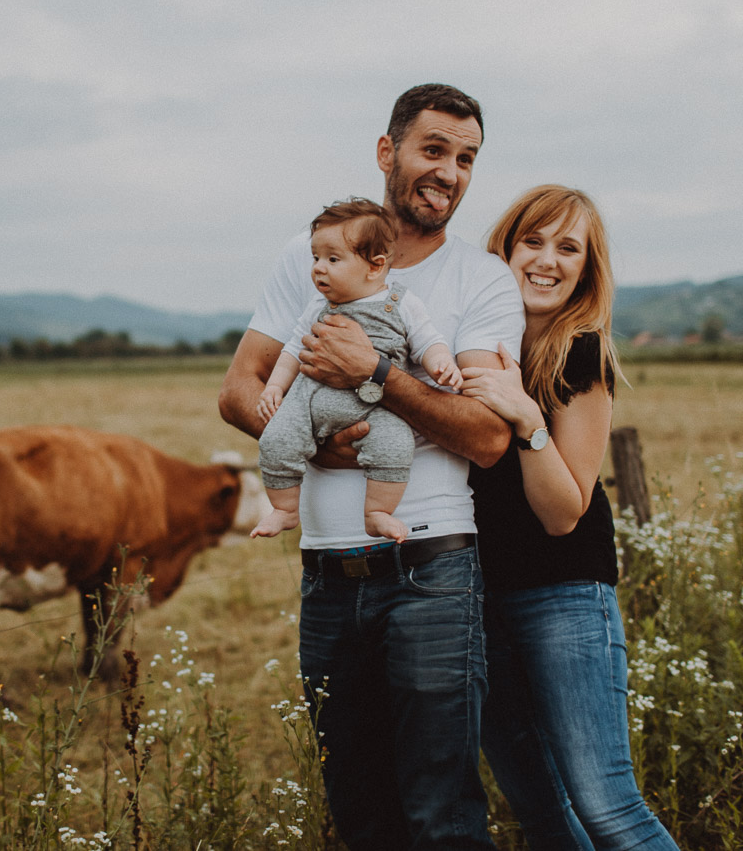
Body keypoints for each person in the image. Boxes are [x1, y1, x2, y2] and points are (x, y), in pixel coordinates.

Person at [219, 83, 521, 851]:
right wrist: (316, 443)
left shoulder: (480, 280)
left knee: (441, 817)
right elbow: (240, 388)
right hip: (325, 574)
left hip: (431, 573)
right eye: (433, 149)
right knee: (359, 812)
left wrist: (380, 375)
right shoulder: (311, 253)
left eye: (467, 158)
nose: (450, 172)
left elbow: (487, 437)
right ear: (387, 152)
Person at [461, 185, 680, 850]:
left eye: (569, 247)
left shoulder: (581, 352)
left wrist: (528, 420)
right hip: (475, 599)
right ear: (505, 246)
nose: (547, 259)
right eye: (534, 240)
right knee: (541, 812)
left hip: (563, 596)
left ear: (587, 268)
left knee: (606, 806)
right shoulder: (466, 344)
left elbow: (562, 514)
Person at [250, 197, 463, 542]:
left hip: (375, 406)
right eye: (316, 257)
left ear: (375, 266)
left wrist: (442, 364)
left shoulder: (401, 302)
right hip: (308, 400)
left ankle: (377, 512)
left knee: (395, 445)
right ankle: (285, 510)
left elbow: (428, 340)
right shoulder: (318, 305)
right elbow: (292, 347)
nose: (319, 268)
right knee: (277, 439)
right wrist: (275, 387)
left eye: (333, 259)